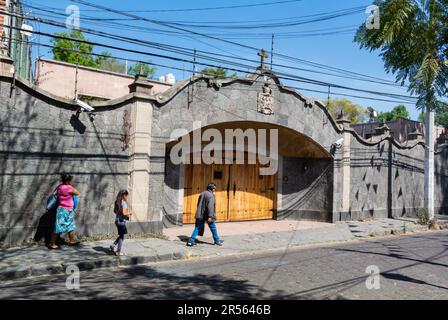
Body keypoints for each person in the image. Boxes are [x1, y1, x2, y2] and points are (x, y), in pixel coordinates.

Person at [48, 174, 80, 249]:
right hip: (63, 210)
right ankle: (52, 244)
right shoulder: (68, 188)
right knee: (58, 226)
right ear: (68, 181)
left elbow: (55, 193)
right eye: (71, 180)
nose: (72, 181)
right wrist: (70, 186)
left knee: (70, 225)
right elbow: (77, 192)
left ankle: (72, 241)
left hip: (67, 210)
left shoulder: (59, 186)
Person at [187, 183, 224, 247]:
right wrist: (210, 216)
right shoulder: (210, 195)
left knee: (197, 228)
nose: (215, 190)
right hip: (207, 215)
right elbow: (210, 207)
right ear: (212, 189)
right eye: (214, 188)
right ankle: (217, 241)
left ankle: (191, 241)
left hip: (201, 214)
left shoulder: (202, 193)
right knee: (213, 228)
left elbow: (199, 204)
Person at [110, 189, 133, 256]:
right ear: (124, 195)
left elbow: (115, 211)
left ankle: (113, 245)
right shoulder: (123, 203)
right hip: (121, 221)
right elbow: (124, 213)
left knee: (121, 235)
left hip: (117, 220)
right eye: (127, 196)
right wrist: (130, 213)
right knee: (122, 237)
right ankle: (118, 251)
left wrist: (120, 213)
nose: (127, 197)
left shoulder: (117, 201)